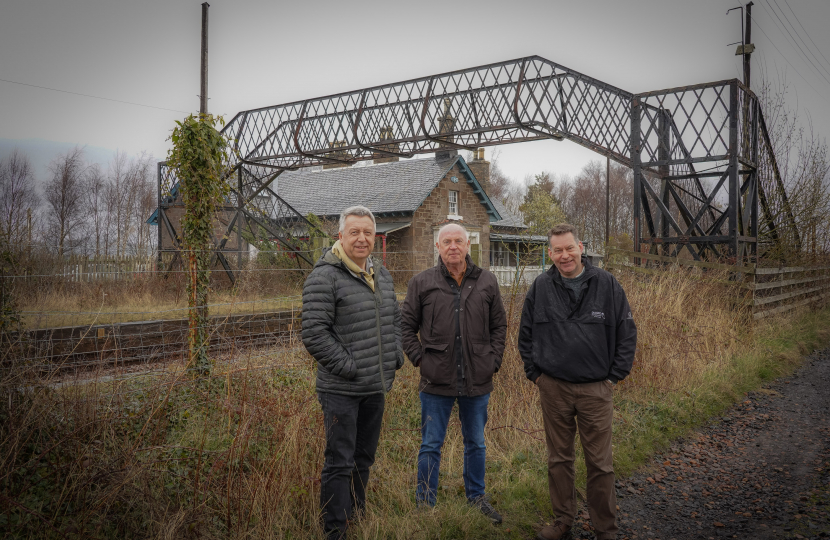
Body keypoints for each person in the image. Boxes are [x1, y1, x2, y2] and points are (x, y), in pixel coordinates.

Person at [518, 223, 637, 540]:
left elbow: (627, 333)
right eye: (557, 250)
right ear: (550, 253)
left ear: (581, 247)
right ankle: (562, 521)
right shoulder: (540, 287)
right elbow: (525, 334)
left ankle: (605, 527)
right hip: (553, 388)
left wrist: (614, 376)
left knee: (600, 463)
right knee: (559, 459)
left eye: (569, 248)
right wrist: (536, 375)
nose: (564, 255)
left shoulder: (607, 285)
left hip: (595, 389)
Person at [301, 205, 405, 540]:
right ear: (341, 236)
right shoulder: (325, 276)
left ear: (375, 237)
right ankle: (335, 529)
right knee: (339, 460)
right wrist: (350, 367)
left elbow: (395, 319)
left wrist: (394, 356)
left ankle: (357, 514)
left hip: (375, 386)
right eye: (355, 232)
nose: (362, 239)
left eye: (368, 233)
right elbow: (314, 333)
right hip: (341, 389)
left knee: (364, 456)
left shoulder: (381, 274)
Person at [401, 223, 507, 523]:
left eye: (458, 241)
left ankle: (476, 498)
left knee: (476, 442)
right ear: (437, 246)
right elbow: (405, 326)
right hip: (436, 380)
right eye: (446, 241)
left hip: (478, 380)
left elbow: (499, 326)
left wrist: (493, 360)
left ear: (468, 244)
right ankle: (425, 506)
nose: (452, 246)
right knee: (431, 445)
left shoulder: (486, 281)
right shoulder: (422, 283)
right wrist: (420, 360)